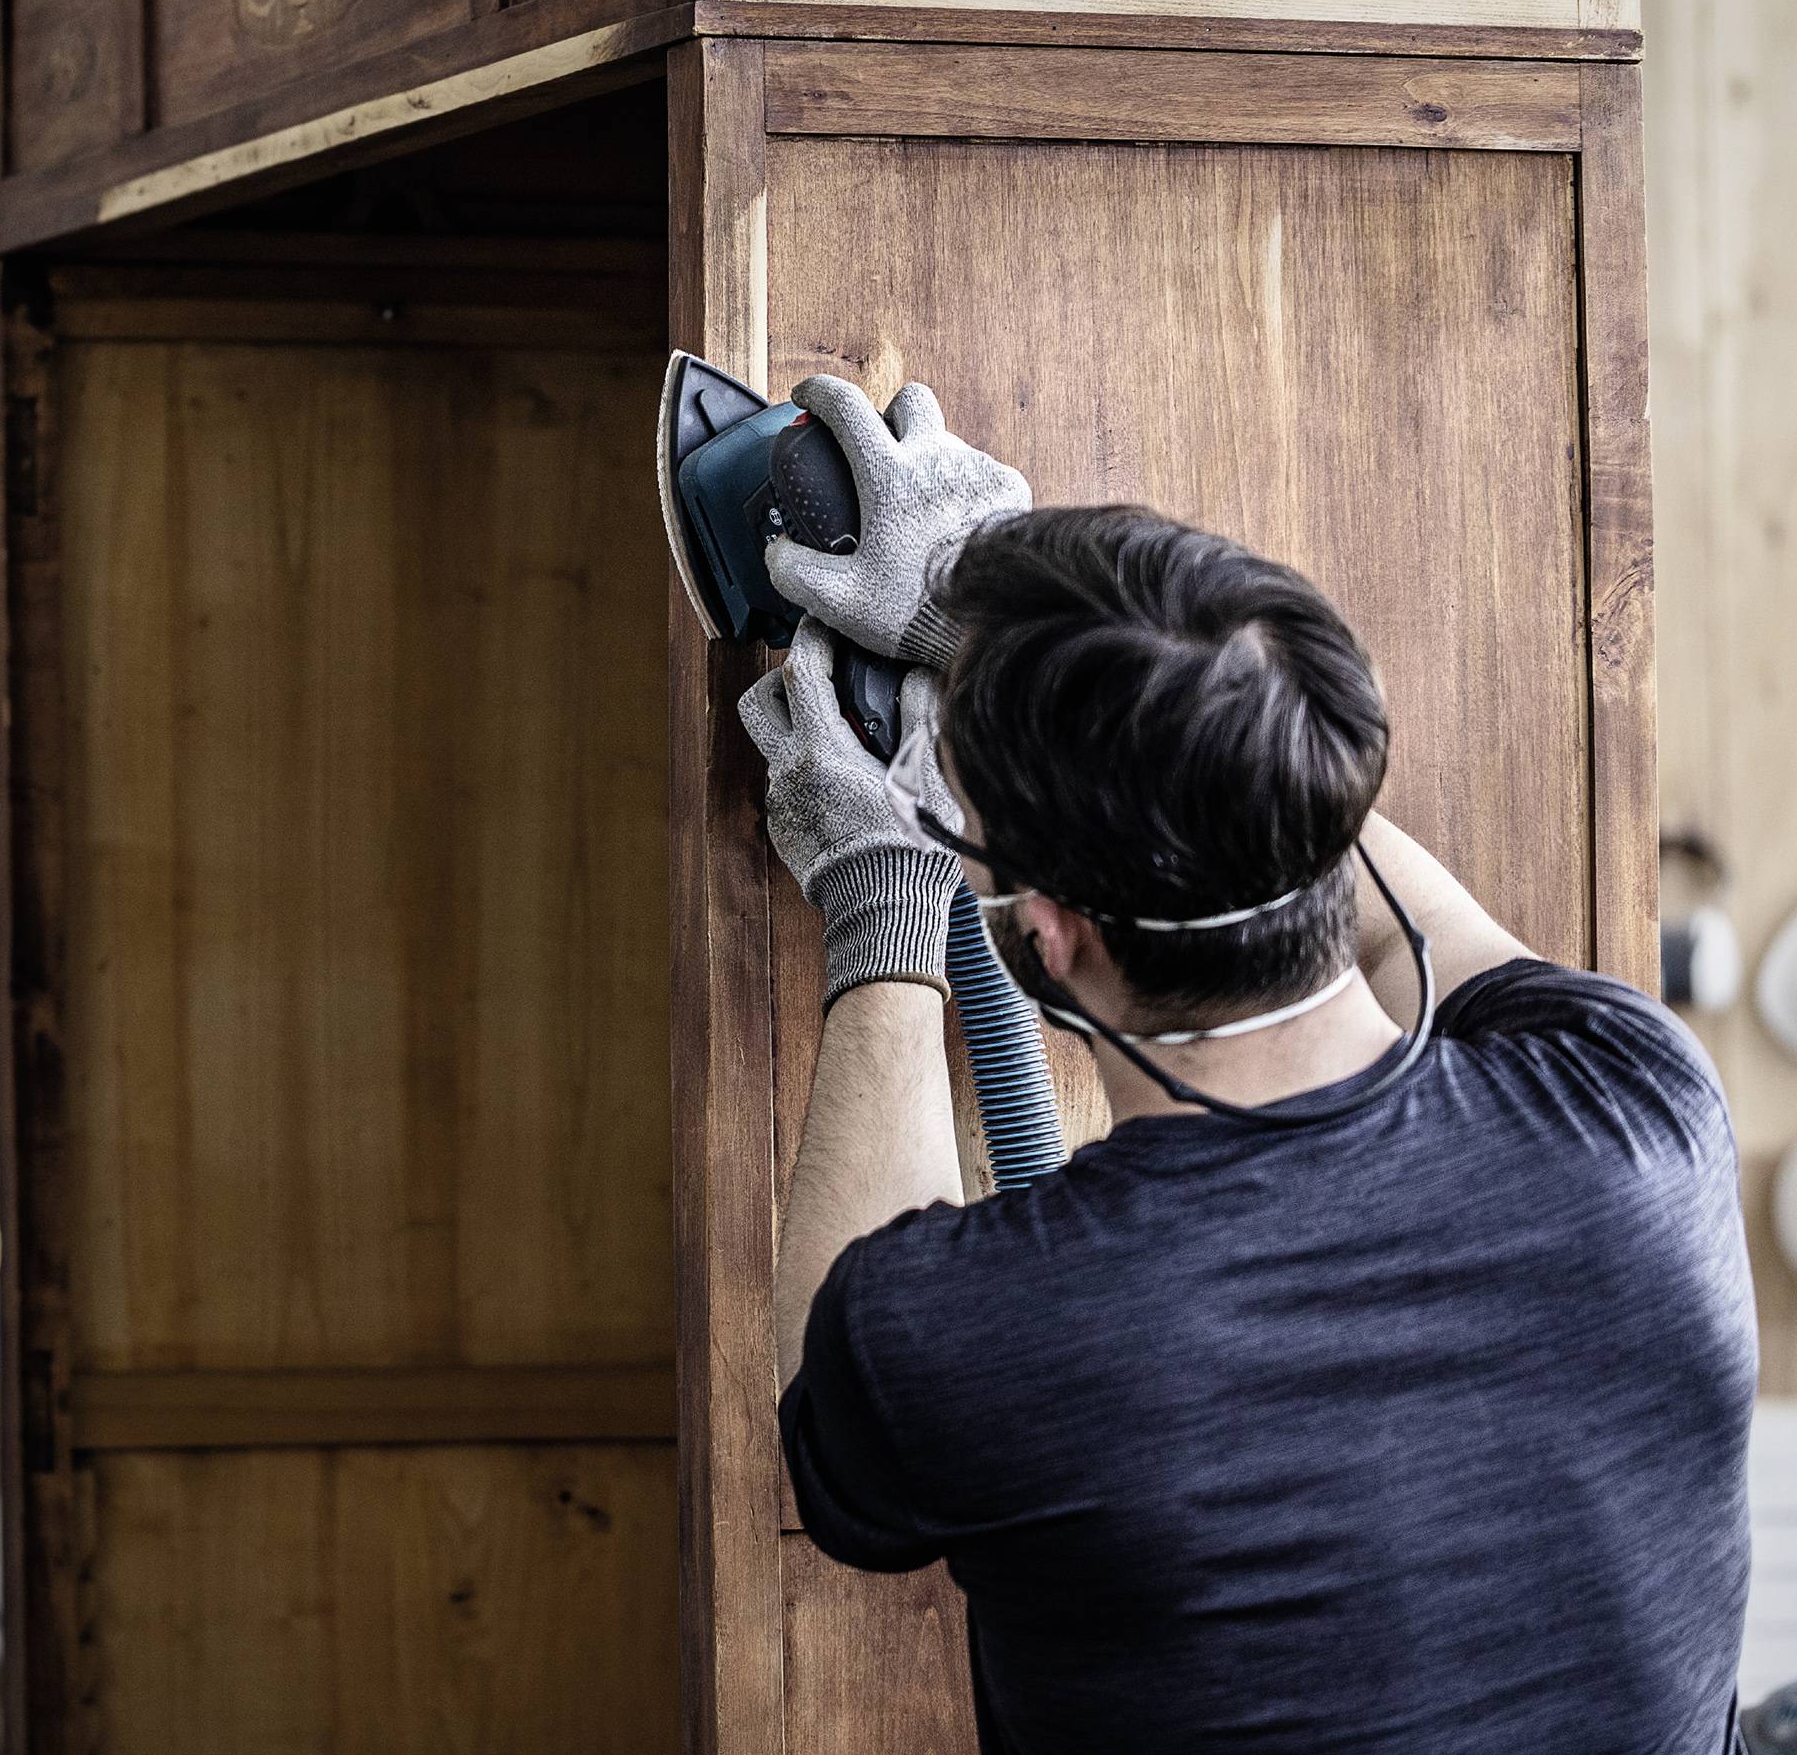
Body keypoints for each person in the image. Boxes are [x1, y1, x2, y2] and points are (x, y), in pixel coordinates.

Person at [742, 377, 1758, 1753]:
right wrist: (1045, 647)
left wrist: (875, 886)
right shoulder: (1632, 1100)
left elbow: (834, 1389)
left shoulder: (981, 1329)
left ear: (1045, 936)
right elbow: (1310, 816)